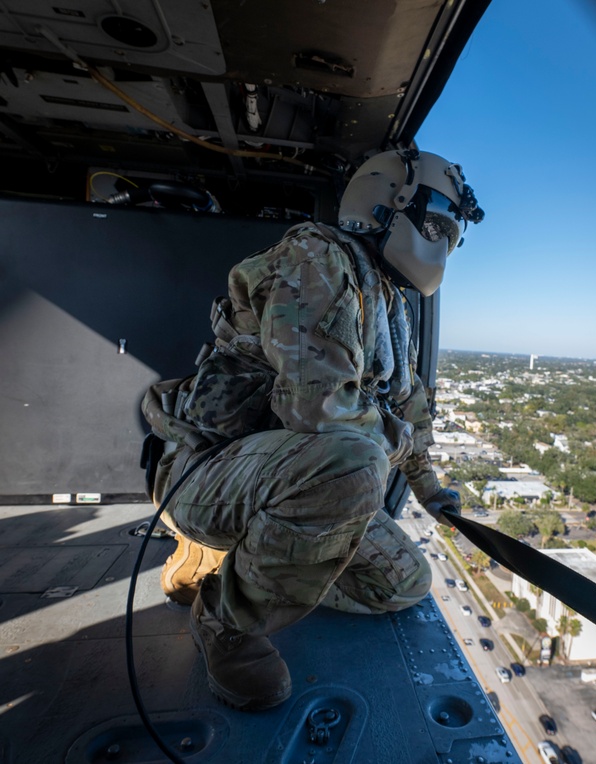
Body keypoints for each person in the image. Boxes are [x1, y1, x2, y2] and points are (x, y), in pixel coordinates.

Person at [141, 148, 484, 711]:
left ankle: (232, 567)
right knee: (355, 463)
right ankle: (226, 620)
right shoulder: (315, 258)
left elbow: (409, 408)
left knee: (402, 585)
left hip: (293, 483)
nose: (443, 242)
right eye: (437, 224)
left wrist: (430, 491)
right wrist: (392, 444)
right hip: (207, 474)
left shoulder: (389, 304)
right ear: (389, 205)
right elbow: (318, 411)